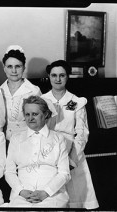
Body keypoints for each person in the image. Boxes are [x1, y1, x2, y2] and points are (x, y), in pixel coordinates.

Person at [41, 60, 99, 209]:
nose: (58, 79)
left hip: (71, 151)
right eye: (54, 75)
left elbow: (82, 133)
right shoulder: (42, 100)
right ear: (49, 77)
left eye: (62, 75)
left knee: (74, 197)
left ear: (67, 77)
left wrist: (72, 159)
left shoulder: (76, 101)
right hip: (48, 151)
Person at [4, 95, 70, 208]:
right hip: (22, 196)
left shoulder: (58, 138)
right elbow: (9, 172)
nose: (30, 118)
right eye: (27, 114)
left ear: (45, 115)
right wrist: (22, 191)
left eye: (35, 114)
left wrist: (46, 192)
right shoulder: (16, 139)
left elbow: (64, 173)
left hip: (52, 196)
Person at [0, 45, 41, 143]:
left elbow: (40, 121)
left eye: (18, 66)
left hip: (27, 141)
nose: (14, 71)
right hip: (3, 141)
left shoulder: (34, 91)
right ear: (4, 68)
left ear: (24, 68)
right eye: (9, 66)